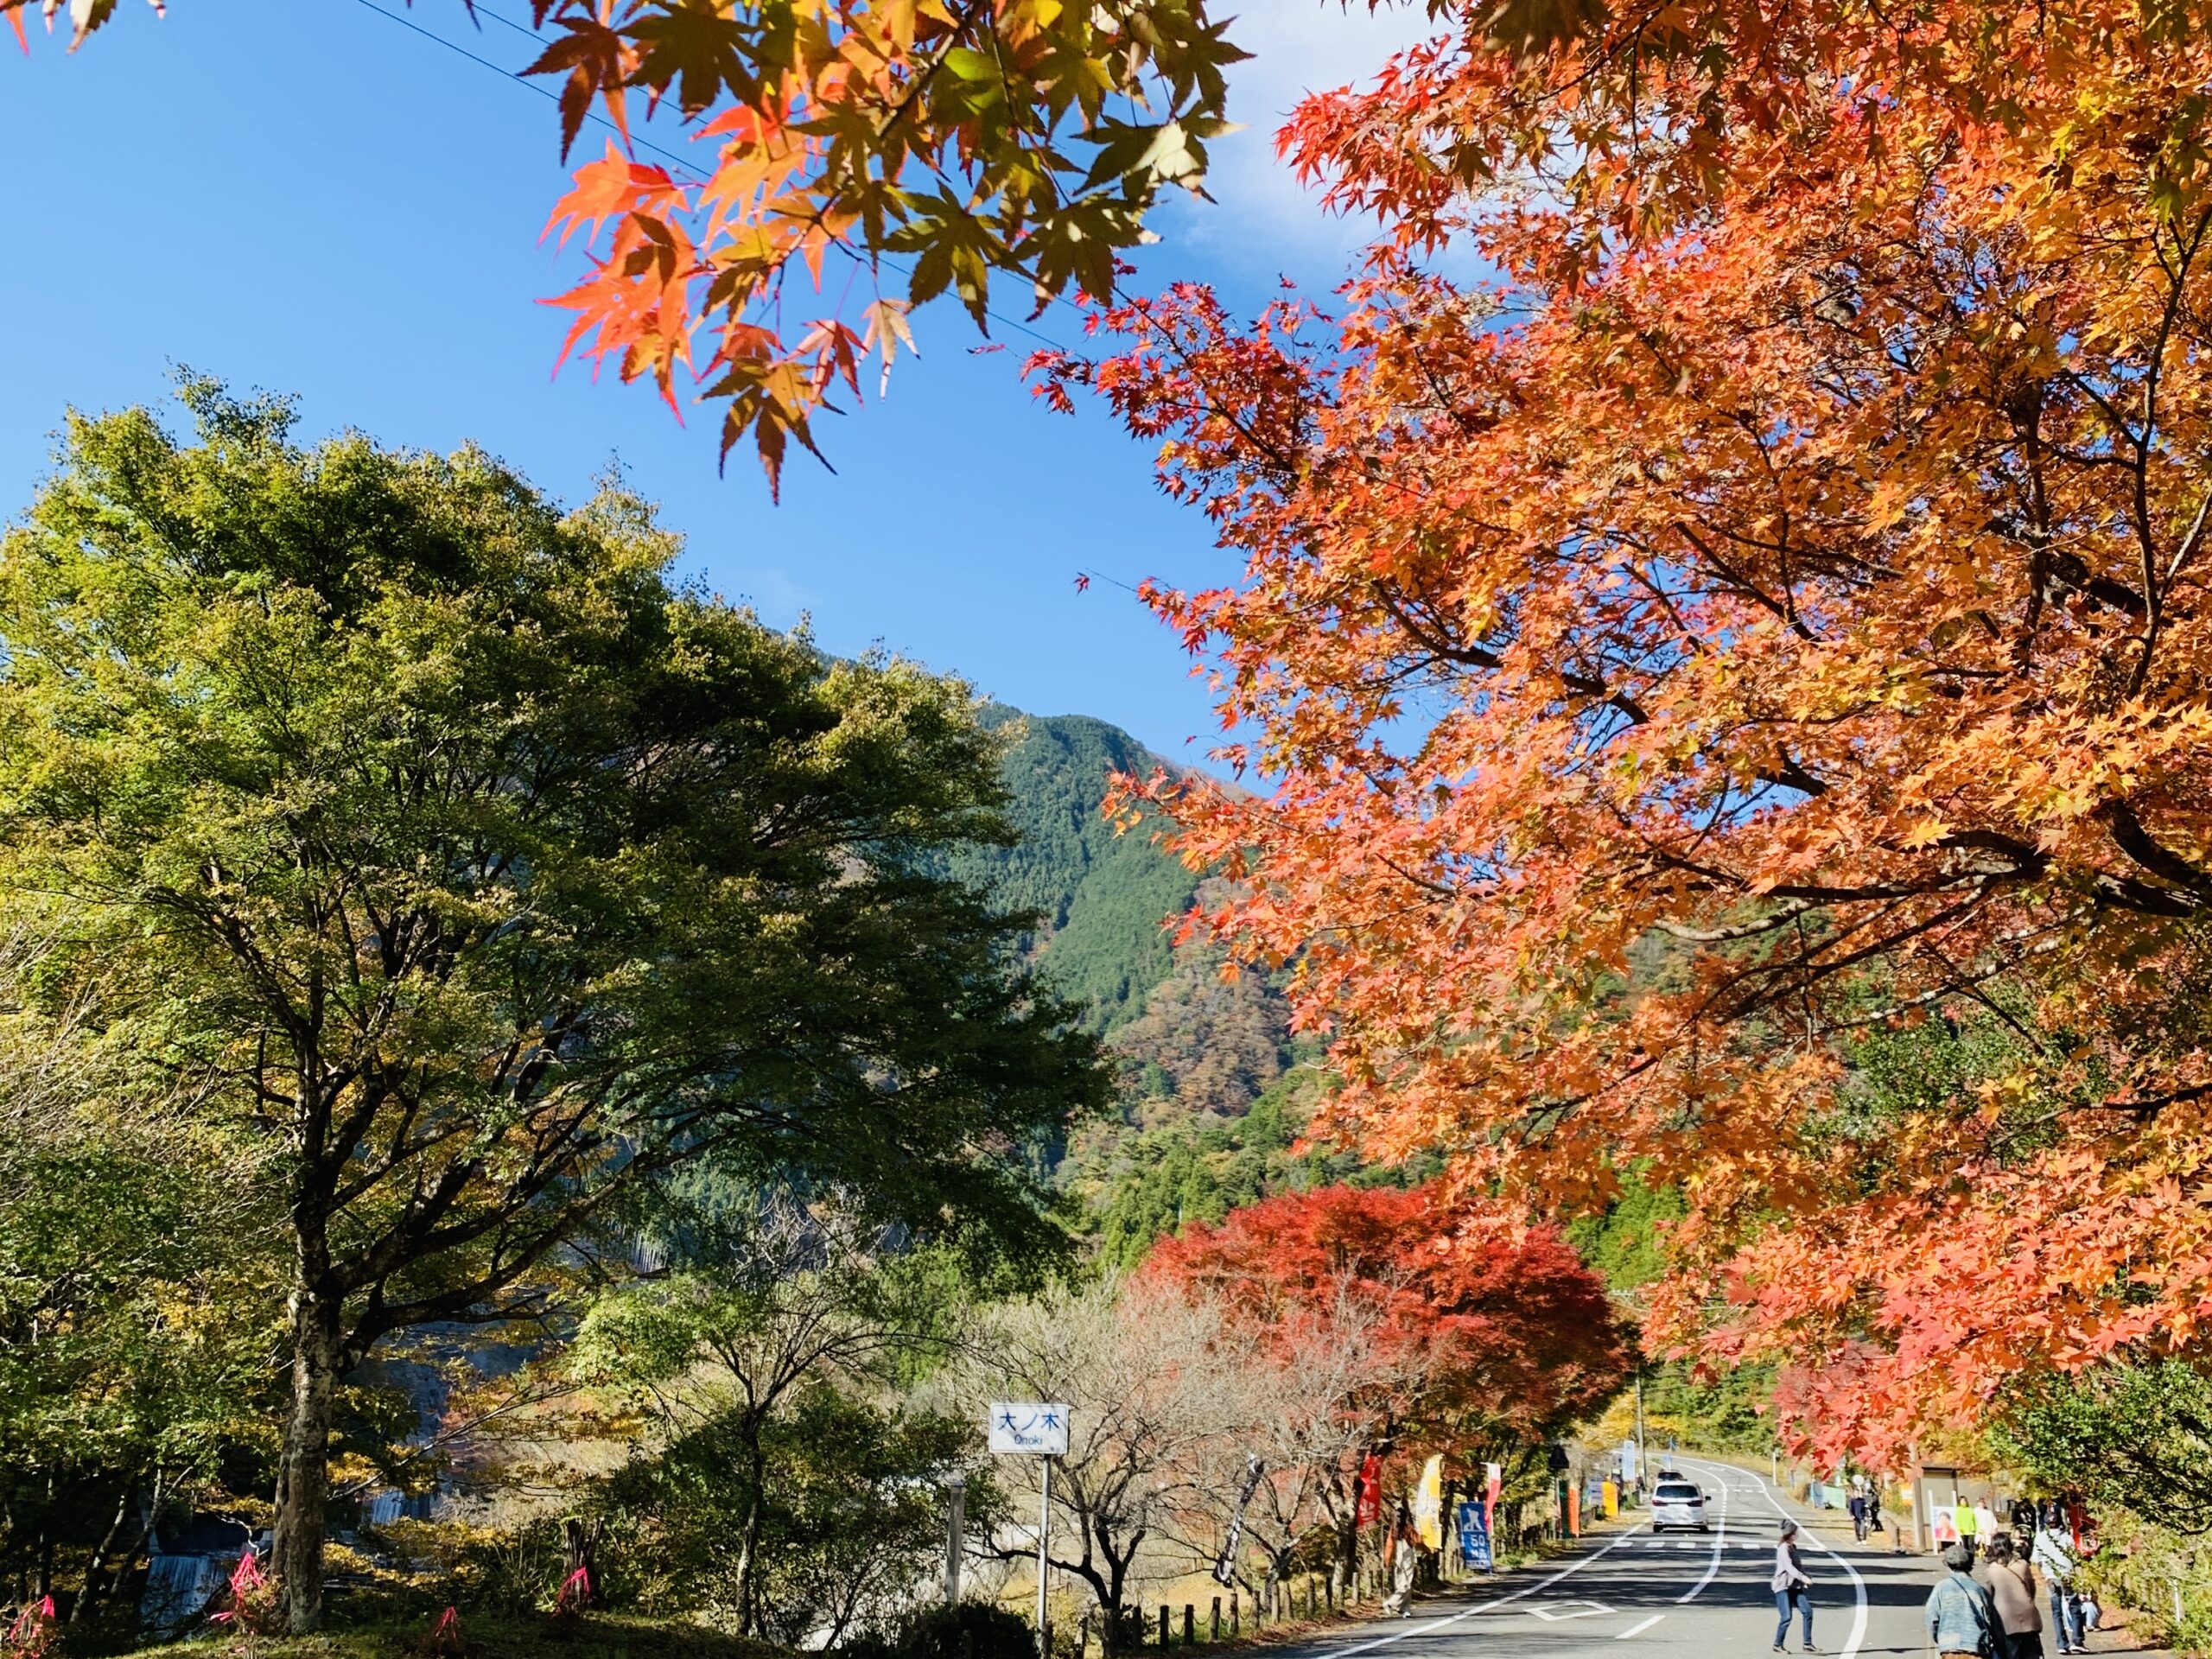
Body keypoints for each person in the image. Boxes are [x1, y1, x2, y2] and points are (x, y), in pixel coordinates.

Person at [1929, 1542, 2005, 1659]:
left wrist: (1941, 1638)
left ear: (1948, 1564)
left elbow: (1932, 1618)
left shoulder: (1941, 1588)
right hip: (1976, 1647)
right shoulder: (1979, 1590)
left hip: (1949, 1647)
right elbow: (1993, 1623)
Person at [1981, 1535, 2045, 1659]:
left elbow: (1988, 1596)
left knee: (2011, 1653)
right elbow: (2031, 1588)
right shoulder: (2023, 1564)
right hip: (2028, 1614)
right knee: (2031, 1651)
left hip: (2005, 1618)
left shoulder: (1991, 1570)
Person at [2031, 1519, 2086, 1653]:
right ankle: (2077, 1640)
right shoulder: (2067, 1538)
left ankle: (2062, 1644)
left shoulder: (2041, 1538)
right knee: (2074, 1607)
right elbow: (2075, 1558)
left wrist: (2042, 1574)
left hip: (2051, 1577)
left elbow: (2035, 1559)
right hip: (2067, 1576)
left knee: (2057, 1612)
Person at [1773, 1520, 1815, 1653]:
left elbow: (1798, 1567)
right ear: (1791, 1533)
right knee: (1786, 1617)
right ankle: (1777, 1644)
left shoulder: (1793, 1547)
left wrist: (1805, 1578)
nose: (1797, 1533)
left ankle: (1807, 1644)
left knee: (1808, 1611)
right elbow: (1789, 1568)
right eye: (1796, 1531)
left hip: (1795, 1586)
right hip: (1782, 1586)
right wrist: (1803, 1578)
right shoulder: (1783, 1548)